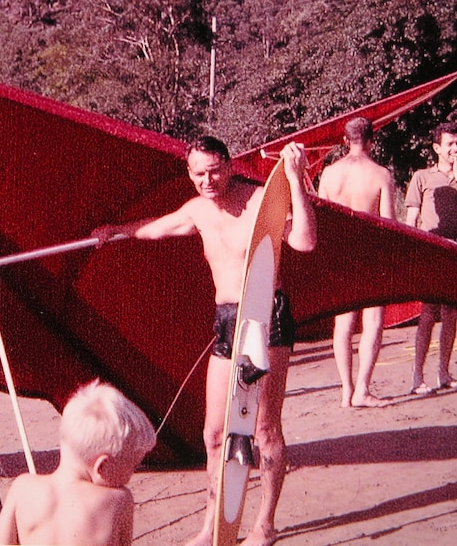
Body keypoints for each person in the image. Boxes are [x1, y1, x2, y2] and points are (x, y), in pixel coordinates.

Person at [92, 136, 317, 546]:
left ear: (229, 166)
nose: (208, 180)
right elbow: (158, 228)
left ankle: (265, 524)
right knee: (214, 433)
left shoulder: (260, 200)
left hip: (267, 316)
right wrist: (118, 230)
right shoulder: (196, 209)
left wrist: (295, 180)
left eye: (215, 170)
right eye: (199, 173)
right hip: (227, 319)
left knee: (263, 429)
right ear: (190, 174)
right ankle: (214, 525)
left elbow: (304, 241)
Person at [0, 379, 156, 546]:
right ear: (102, 466)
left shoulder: (22, 487)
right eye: (132, 466)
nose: (131, 475)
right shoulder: (118, 500)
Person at [317, 117, 395, 408]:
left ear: (345, 141)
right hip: (370, 253)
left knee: (343, 323)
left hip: (340, 253)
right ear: (371, 140)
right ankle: (362, 387)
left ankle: (346, 390)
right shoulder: (381, 175)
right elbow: (389, 224)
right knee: (373, 320)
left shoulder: (328, 174)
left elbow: (322, 219)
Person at [404, 122, 457, 395]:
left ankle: (444, 373)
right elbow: (411, 219)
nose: (455, 149)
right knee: (428, 313)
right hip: (432, 249)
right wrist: (412, 252)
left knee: (451, 313)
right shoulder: (422, 177)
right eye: (449, 144)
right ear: (437, 148)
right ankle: (417, 376)